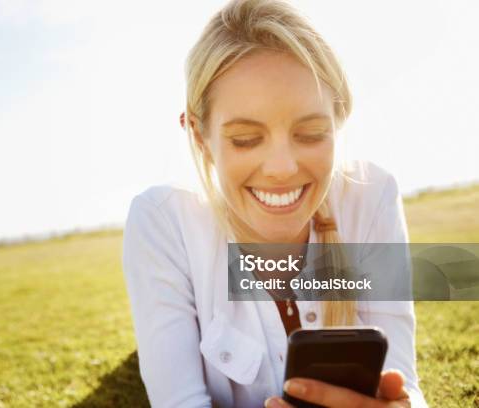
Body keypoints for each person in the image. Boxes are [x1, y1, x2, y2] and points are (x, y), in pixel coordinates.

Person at [122, 0, 428, 406]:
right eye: (246, 139)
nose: (282, 169)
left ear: (338, 121)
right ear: (199, 135)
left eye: (312, 132)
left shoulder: (371, 196)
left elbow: (403, 381)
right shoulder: (162, 220)